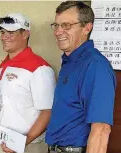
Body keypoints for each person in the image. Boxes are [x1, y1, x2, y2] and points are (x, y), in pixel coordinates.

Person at [0, 13, 56, 153]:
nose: (4, 37)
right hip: (0, 142)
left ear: (25, 34)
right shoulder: (3, 66)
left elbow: (47, 112)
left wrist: (24, 141)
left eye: (11, 32)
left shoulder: (39, 68)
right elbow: (2, 103)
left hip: (27, 146)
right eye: (2, 32)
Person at [46, 1, 116, 153]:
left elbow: (101, 130)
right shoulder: (69, 61)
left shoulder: (96, 66)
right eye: (56, 25)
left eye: (66, 25)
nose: (58, 32)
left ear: (86, 28)